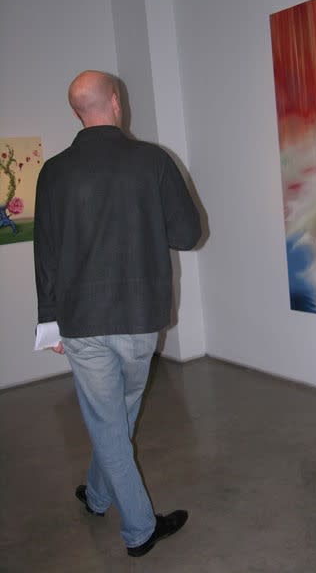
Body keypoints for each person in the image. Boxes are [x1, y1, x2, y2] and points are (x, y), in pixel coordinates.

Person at [33, 70, 202, 557]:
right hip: (140, 319)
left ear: (77, 112)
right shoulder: (153, 161)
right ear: (115, 103)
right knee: (114, 417)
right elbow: (188, 235)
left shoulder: (54, 173)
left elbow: (45, 253)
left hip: (81, 322)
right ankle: (138, 526)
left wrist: (49, 322)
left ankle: (104, 499)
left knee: (112, 419)